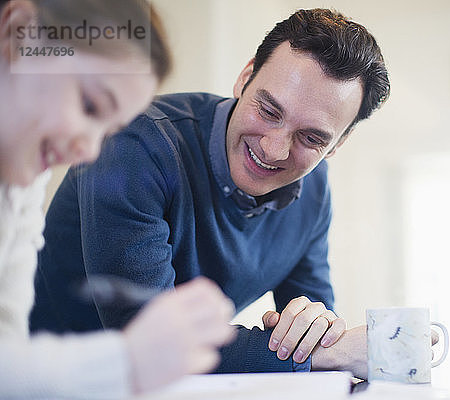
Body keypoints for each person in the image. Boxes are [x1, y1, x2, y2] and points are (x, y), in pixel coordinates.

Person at [31, 8, 391, 377]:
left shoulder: (313, 190)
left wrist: (316, 330)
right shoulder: (133, 144)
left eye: (311, 138)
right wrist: (323, 355)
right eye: (268, 111)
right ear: (245, 77)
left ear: (337, 144)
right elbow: (152, 338)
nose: (273, 149)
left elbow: (309, 325)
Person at [0, 0, 235, 398]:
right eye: (90, 106)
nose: (88, 152)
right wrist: (126, 363)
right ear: (19, 31)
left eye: (108, 132)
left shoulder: (21, 182)